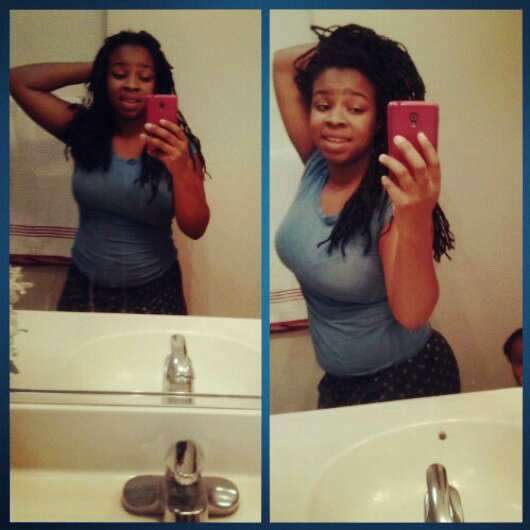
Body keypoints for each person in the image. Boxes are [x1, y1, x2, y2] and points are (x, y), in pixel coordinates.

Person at [273, 24, 460, 408]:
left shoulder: (390, 198)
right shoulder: (318, 165)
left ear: (378, 119)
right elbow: (283, 63)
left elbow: (413, 314)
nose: (334, 118)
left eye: (355, 108)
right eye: (322, 105)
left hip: (406, 380)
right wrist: (364, 51)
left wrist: (416, 217)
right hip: (340, 383)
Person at [9, 30, 210, 315]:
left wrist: (180, 171)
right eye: (119, 74)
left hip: (156, 289)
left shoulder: (175, 145)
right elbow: (18, 81)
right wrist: (101, 65)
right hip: (84, 285)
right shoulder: (84, 130)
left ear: (158, 84)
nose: (131, 85)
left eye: (144, 77)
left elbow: (195, 228)